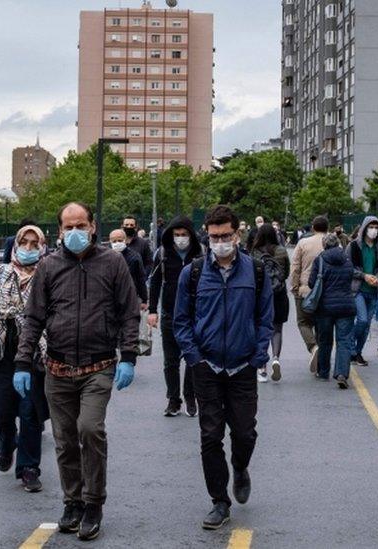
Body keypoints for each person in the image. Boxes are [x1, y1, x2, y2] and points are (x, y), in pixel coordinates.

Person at [15, 202, 140, 541]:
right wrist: (23, 362)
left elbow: (129, 312)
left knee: (89, 430)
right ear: (58, 231)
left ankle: (93, 502)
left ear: (93, 226)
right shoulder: (48, 267)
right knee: (65, 440)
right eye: (68, 227)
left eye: (80, 225)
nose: (74, 232)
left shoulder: (113, 263)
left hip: (98, 367)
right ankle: (73, 502)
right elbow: (33, 319)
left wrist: (128, 355)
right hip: (57, 368)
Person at [174, 205, 273, 531]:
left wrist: (259, 355)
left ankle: (240, 466)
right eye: (214, 237)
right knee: (210, 436)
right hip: (207, 367)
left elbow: (265, 318)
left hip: (244, 366)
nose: (220, 242)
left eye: (226, 236)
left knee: (244, 432)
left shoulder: (256, 272)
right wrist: (194, 358)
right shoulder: (194, 273)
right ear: (207, 235)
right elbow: (182, 321)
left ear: (237, 234)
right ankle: (219, 501)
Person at [0, 225, 49, 493]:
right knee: (1, 412)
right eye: (24, 242)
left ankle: (29, 468)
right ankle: (7, 442)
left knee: (30, 412)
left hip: (33, 353)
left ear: (43, 246)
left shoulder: (47, 273)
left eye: (34, 243)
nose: (29, 248)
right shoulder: (0, 272)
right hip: (2, 352)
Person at [148, 216, 204, 417]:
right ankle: (173, 399)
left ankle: (190, 396)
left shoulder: (201, 254)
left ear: (191, 235)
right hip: (170, 313)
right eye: (177, 235)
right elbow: (154, 283)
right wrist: (152, 310)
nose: (180, 239)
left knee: (192, 358)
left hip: (195, 315)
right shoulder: (162, 254)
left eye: (184, 235)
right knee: (170, 361)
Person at [309, 234, 372, 389]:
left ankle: (324, 372)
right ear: (337, 244)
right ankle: (342, 374)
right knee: (343, 340)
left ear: (324, 245)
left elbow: (312, 283)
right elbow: (352, 276)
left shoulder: (320, 260)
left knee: (325, 340)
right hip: (346, 305)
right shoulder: (347, 260)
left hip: (325, 307)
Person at [250, 224, 290, 383]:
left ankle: (261, 368)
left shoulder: (255, 252)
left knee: (261, 329)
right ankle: (275, 358)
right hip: (279, 294)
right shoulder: (281, 250)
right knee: (277, 328)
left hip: (260, 295)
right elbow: (285, 273)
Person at [291, 216, 328, 372]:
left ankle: (313, 346)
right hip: (326, 290)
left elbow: (295, 267)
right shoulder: (334, 243)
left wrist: (294, 286)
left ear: (313, 227)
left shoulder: (303, 243)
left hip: (305, 289)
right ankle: (322, 363)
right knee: (321, 323)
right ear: (327, 227)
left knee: (303, 322)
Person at [347, 215, 378, 367]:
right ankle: (349, 347)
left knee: (366, 326)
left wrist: (376, 277)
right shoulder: (354, 246)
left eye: (376, 227)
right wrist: (364, 276)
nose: (374, 231)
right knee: (362, 320)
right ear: (365, 228)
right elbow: (348, 268)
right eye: (371, 227)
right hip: (357, 289)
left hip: (373, 290)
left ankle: (357, 353)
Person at [109, 229, 148, 307]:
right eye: (114, 241)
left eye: (120, 240)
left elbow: (140, 278)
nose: (117, 243)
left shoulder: (134, 257)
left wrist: (144, 299)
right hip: (110, 299)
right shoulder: (106, 257)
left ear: (125, 240)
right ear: (110, 241)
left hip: (130, 298)